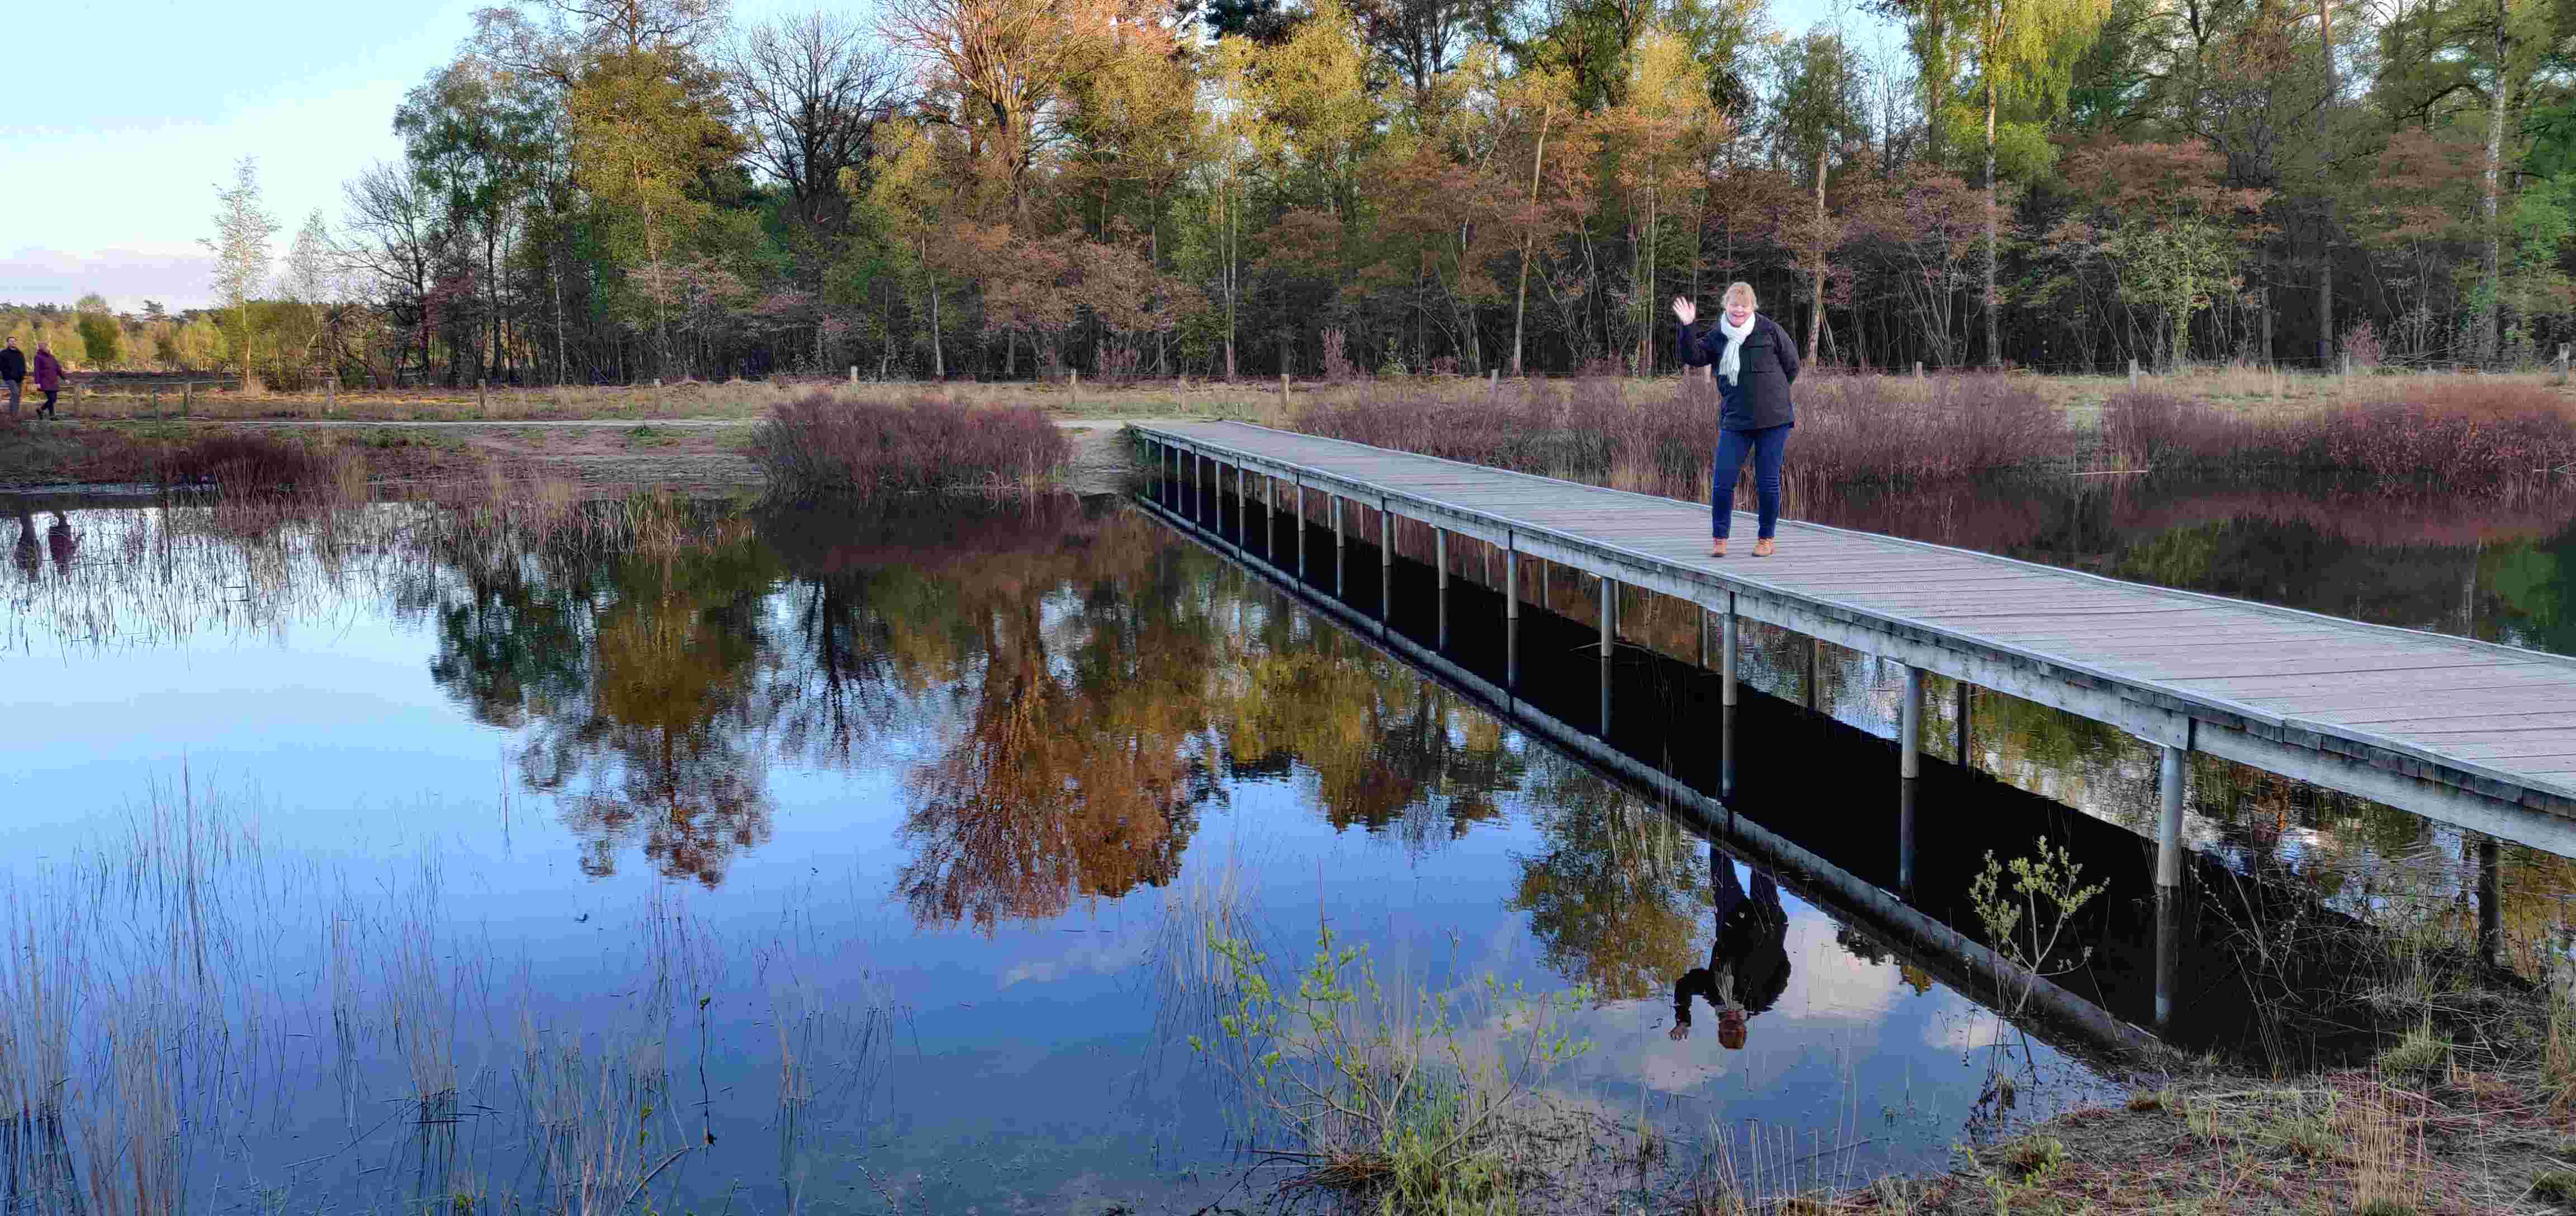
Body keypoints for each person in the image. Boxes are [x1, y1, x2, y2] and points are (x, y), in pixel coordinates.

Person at [1671, 283, 1800, 558]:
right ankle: (1720, 539)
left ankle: (1766, 539)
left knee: (1767, 480)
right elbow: (1693, 356)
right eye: (1734, 305)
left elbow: (1792, 366)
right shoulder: (1718, 336)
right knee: (1722, 480)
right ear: (1725, 306)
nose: (1739, 310)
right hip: (1735, 419)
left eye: (1744, 305)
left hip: (1773, 420)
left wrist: (1773, 392)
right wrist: (1687, 327)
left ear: (1752, 307)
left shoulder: (1770, 331)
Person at [1670, 847, 1791, 1050]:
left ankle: (1721, 825)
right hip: (1766, 922)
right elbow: (1784, 971)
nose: (1731, 1028)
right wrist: (1771, 944)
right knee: (1763, 861)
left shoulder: (1714, 994)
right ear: (1744, 1029)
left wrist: (1683, 1019)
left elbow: (1686, 984)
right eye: (1736, 1032)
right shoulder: (1761, 1002)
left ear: (1719, 1029)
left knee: (1719, 862)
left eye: (1726, 1032)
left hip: (1732, 920)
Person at [29, 344, 63, 419]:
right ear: (42, 348)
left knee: (53, 399)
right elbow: (36, 370)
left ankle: (41, 410)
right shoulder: (38, 357)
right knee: (51, 398)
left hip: (54, 381)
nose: (48, 348)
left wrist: (65, 378)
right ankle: (52, 416)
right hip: (45, 381)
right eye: (47, 347)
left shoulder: (52, 357)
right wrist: (37, 382)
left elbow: (58, 368)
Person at [0, 338, 23, 417]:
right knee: (15, 393)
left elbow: (23, 364)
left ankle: (14, 415)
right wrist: (6, 374)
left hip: (19, 378)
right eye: (11, 341)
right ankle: (12, 414)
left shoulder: (19, 353)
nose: (13, 342)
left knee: (17, 396)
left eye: (14, 341)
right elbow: (1, 366)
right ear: (7, 343)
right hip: (9, 378)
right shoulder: (3, 353)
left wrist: (23, 374)